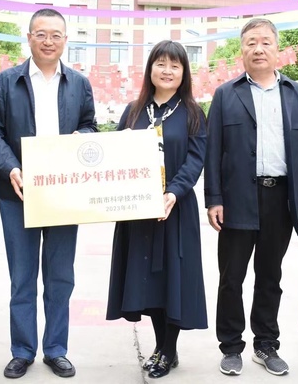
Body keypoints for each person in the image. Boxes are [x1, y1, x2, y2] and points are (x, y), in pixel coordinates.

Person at [0, 8, 97, 379]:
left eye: (56, 35)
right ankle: (22, 350)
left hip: (64, 194)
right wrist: (10, 168)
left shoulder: (79, 84)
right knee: (23, 277)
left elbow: (90, 126)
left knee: (61, 277)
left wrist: (83, 137)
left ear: (65, 40)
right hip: (18, 193)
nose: (49, 41)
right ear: (29, 38)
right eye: (41, 34)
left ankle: (56, 350)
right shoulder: (6, 82)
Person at [204, 18, 298, 377]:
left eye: (266, 42)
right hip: (237, 197)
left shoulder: (297, 94)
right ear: (242, 49)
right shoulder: (226, 94)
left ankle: (266, 344)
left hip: (280, 198)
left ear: (277, 48)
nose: (258, 49)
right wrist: (214, 198)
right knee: (231, 277)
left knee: (270, 276)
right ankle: (231, 346)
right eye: (251, 42)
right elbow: (213, 150)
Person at [106, 41, 207, 379]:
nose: (167, 71)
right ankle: (162, 347)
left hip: (175, 209)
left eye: (175, 66)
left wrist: (173, 193)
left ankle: (167, 349)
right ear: (150, 69)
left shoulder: (193, 113)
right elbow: (114, 154)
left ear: (184, 73)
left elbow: (195, 161)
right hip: (138, 212)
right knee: (147, 281)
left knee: (172, 281)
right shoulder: (134, 111)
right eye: (161, 63)